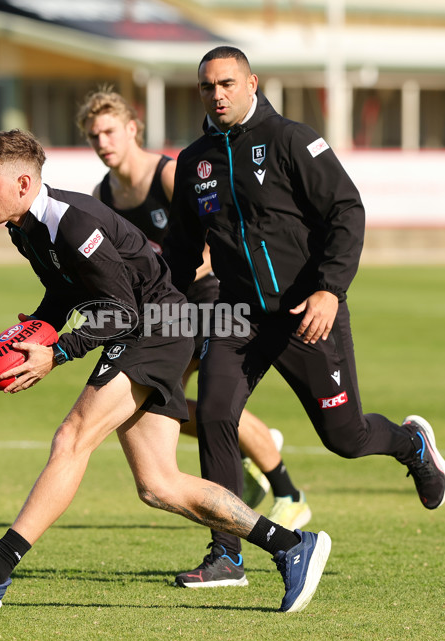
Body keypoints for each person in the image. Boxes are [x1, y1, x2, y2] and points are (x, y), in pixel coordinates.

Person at [0, 128, 331, 614]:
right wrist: (39, 329)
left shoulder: (71, 224)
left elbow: (123, 311)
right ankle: (290, 546)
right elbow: (65, 292)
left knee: (72, 438)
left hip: (155, 327)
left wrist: (59, 352)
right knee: (158, 484)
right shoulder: (22, 227)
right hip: (144, 327)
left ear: (25, 183)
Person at [162, 46, 445, 588]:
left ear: (252, 82)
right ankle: (227, 553)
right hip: (237, 316)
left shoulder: (291, 139)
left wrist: (329, 291)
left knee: (345, 436)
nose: (217, 95)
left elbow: (347, 211)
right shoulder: (195, 161)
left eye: (227, 83)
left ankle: (412, 444)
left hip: (307, 312)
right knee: (217, 413)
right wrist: (157, 310)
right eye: (207, 87)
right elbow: (180, 252)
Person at [75, 89, 312, 537]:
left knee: (190, 405)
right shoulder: (103, 194)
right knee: (152, 412)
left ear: (132, 129)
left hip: (208, 297)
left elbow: (210, 240)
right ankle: (249, 445)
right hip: (164, 310)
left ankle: (286, 492)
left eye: (109, 131)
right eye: (93, 136)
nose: (102, 141)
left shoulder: (168, 174)